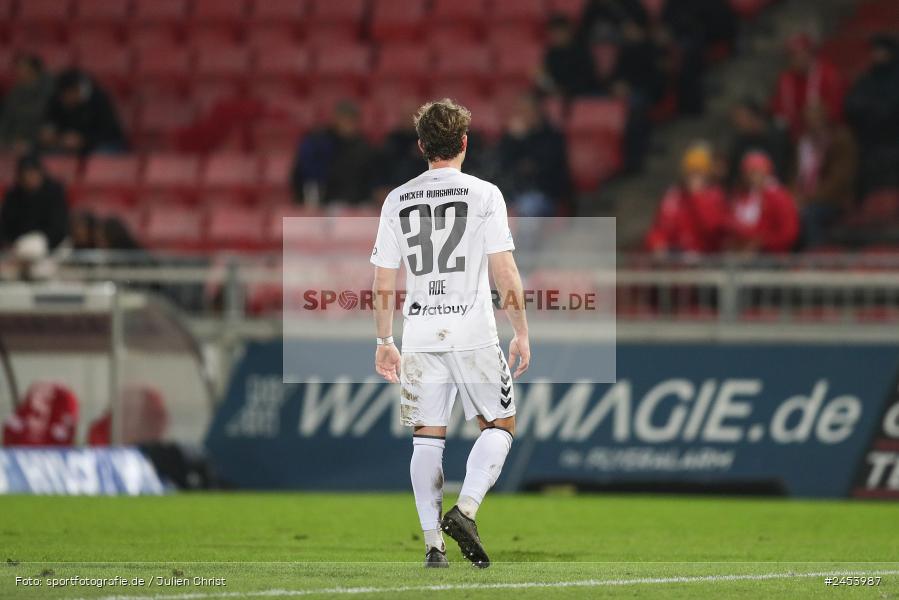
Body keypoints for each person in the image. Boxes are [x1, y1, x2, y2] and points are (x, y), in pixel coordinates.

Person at [370, 99, 529, 569]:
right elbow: (505, 272)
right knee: (500, 425)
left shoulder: (397, 199)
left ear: (421, 146)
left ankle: (432, 545)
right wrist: (520, 330)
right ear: (464, 142)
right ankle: (466, 510)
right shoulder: (485, 195)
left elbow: (383, 280)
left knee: (427, 438)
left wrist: (384, 341)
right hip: (473, 328)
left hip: (420, 330)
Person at [495, 94, 570, 218]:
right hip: (514, 192)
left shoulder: (552, 136)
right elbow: (503, 163)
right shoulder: (514, 136)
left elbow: (539, 167)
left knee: (525, 210)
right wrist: (512, 139)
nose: (524, 115)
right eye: (521, 111)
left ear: (538, 110)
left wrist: (524, 140)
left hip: (544, 194)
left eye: (527, 110)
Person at [645, 143, 728, 255]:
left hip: (706, 261)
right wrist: (657, 243)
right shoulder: (673, 195)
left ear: (707, 174)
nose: (693, 177)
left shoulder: (715, 195)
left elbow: (714, 230)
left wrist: (697, 197)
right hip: (676, 261)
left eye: (698, 172)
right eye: (690, 171)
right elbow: (659, 228)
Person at [795, 103, 858, 247]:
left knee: (810, 214)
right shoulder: (803, 142)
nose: (812, 122)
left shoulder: (840, 139)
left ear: (825, 117)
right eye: (808, 119)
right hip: (804, 198)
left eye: (816, 117)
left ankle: (816, 257)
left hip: (833, 199)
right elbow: (795, 174)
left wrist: (810, 198)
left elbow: (840, 179)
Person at [291, 100, 376, 206]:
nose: (347, 123)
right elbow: (303, 174)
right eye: (343, 118)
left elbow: (369, 180)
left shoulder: (364, 147)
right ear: (336, 119)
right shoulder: (319, 143)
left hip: (357, 203)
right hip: (327, 203)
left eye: (351, 119)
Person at [844, 34, 899, 195]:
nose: (876, 55)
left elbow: (891, 110)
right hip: (867, 142)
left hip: (892, 141)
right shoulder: (867, 78)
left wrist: (874, 112)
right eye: (875, 51)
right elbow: (852, 105)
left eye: (881, 51)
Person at [0, 154, 70, 279]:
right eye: (25, 175)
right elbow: (7, 226)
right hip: (18, 249)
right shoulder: (13, 195)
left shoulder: (54, 192)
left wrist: (39, 246)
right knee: (5, 273)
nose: (29, 178)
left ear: (40, 173)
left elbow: (58, 229)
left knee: (39, 269)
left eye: (32, 173)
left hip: (51, 247)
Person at [770, 33, 843, 138]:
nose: (798, 58)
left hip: (826, 132)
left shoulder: (827, 75)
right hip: (794, 135)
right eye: (793, 55)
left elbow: (836, 109)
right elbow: (778, 109)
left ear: (811, 54)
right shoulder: (785, 79)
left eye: (802, 53)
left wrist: (820, 115)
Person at [41, 69, 127, 155]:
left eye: (68, 95)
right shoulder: (57, 100)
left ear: (77, 90)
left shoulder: (99, 99)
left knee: (99, 159)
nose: (66, 100)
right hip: (68, 145)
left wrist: (83, 139)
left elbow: (107, 131)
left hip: (105, 143)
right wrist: (51, 133)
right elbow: (52, 122)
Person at [726, 151, 799, 253]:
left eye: (757, 171)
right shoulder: (741, 195)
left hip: (771, 255)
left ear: (767, 171)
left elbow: (789, 233)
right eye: (749, 171)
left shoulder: (779, 197)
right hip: (743, 251)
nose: (752, 176)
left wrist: (762, 243)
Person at [726, 97, 792, 188]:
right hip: (745, 192)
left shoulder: (776, 138)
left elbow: (782, 171)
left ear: (754, 116)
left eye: (740, 117)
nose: (736, 122)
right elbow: (733, 174)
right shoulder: (740, 141)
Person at [0, 53, 53, 154]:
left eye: (22, 67)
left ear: (33, 69)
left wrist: (30, 141)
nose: (17, 71)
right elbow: (6, 117)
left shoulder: (49, 89)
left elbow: (42, 116)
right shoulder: (16, 91)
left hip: (37, 141)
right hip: (14, 140)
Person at [538, 14, 600, 98]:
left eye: (558, 32)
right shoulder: (551, 53)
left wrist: (564, 90)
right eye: (553, 33)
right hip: (558, 95)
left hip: (583, 95)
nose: (555, 37)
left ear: (568, 32)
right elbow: (549, 79)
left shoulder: (582, 51)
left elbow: (587, 79)